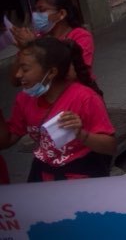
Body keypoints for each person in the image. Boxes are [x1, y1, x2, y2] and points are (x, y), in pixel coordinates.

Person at [0, 37, 115, 181]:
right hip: (43, 175)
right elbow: (6, 141)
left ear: (52, 72)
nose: (18, 75)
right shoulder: (24, 99)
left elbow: (110, 147)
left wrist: (82, 135)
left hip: (81, 176)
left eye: (25, 69)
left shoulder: (85, 98)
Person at [10, 0, 96, 82]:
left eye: (42, 10)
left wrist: (33, 46)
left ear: (61, 13)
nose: (35, 16)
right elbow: (16, 79)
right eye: (36, 11)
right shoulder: (39, 37)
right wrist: (24, 48)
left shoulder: (80, 36)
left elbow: (72, 74)